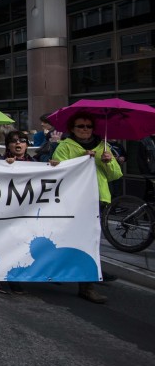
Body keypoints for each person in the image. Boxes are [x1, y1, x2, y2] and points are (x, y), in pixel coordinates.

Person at [51, 111, 122, 304]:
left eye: (88, 126)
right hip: (73, 201)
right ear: (72, 129)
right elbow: (57, 171)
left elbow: (115, 175)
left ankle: (87, 286)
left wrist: (108, 162)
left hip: (97, 199)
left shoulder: (103, 146)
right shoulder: (65, 146)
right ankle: (58, 271)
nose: (85, 130)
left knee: (90, 242)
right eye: (80, 126)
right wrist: (80, 160)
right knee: (66, 238)